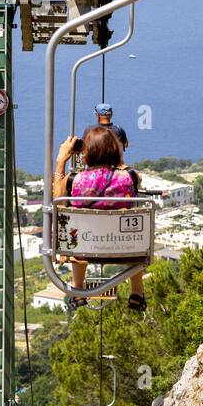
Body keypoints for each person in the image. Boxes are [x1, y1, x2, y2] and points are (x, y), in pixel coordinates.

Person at [52, 123, 147, 313]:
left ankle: (78, 289)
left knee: (76, 230)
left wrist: (61, 161)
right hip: (124, 247)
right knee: (136, 232)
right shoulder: (130, 177)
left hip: (84, 248)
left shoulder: (74, 181)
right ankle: (136, 291)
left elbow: (58, 200)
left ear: (85, 152)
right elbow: (136, 178)